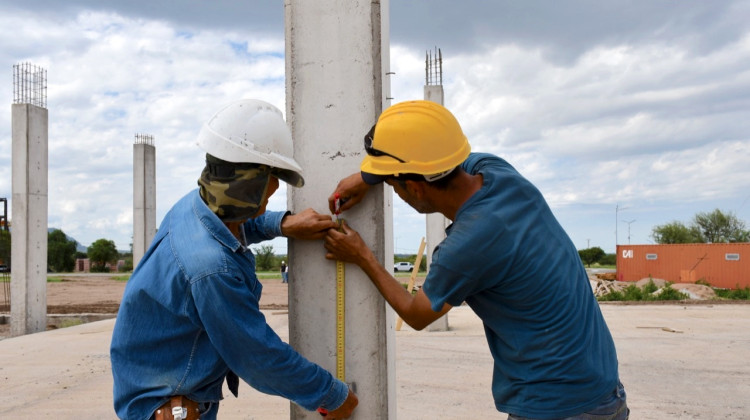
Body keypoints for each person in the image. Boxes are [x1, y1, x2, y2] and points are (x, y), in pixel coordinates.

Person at [323, 100, 628, 420]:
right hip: (603, 387)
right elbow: (437, 154)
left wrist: (361, 256)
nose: (392, 191)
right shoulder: (497, 172)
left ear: (414, 187)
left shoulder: (468, 245)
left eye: (392, 185)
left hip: (557, 405)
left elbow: (417, 314)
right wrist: (369, 176)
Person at [111, 99, 358, 420]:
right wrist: (331, 395)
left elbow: (229, 224)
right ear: (246, 186)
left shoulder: (193, 205)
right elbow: (257, 355)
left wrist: (280, 224)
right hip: (167, 400)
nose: (264, 204)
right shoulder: (212, 268)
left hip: (155, 381)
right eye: (264, 197)